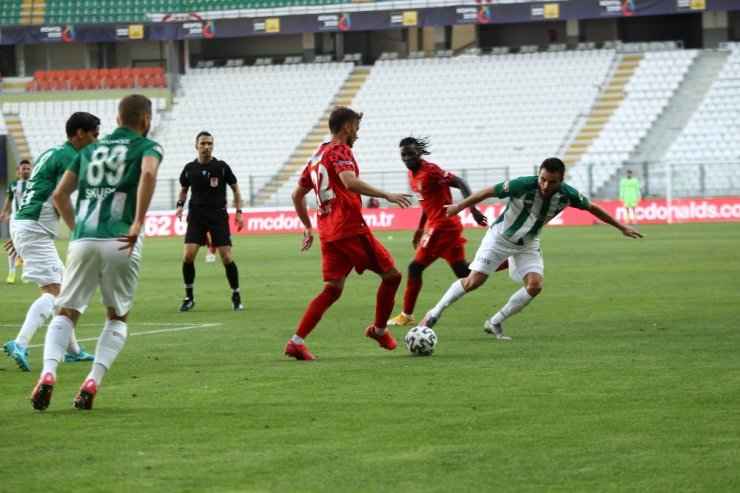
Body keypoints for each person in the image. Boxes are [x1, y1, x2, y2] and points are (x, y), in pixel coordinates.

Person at [29, 94, 162, 411]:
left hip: (84, 239)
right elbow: (147, 174)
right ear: (145, 121)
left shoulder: (88, 150)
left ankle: (48, 374)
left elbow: (60, 194)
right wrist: (138, 221)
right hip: (121, 239)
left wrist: (76, 229)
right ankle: (92, 381)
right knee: (117, 317)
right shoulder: (147, 147)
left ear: (117, 120)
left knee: (67, 311)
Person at [418, 157, 643, 341]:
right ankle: (434, 313)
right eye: (543, 179)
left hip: (528, 243)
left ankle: (495, 322)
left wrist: (620, 226)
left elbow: (592, 208)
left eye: (552, 182)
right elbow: (487, 192)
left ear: (561, 180)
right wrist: (460, 206)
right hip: (499, 238)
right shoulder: (523, 184)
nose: (545, 186)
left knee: (535, 286)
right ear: (539, 175)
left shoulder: (568, 194)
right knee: (473, 282)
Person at [285, 106, 413, 360]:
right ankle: (379, 329)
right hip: (349, 227)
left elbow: (296, 195)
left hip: (328, 232)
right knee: (392, 276)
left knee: (332, 289)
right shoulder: (339, 150)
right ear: (346, 127)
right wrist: (387, 194)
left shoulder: (315, 157)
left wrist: (307, 226)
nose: (357, 134)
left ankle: (296, 342)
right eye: (356, 128)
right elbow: (349, 182)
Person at [2, 113, 100, 372]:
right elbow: (59, 197)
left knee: (64, 291)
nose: (96, 140)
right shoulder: (71, 157)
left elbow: (39, 191)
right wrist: (78, 233)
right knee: (56, 294)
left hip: (28, 225)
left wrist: (19, 233)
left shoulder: (52, 152)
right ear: (80, 133)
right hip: (33, 229)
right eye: (94, 134)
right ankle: (20, 342)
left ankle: (73, 351)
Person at [386, 136, 490, 327]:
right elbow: (427, 203)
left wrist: (473, 209)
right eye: (404, 155)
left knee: (414, 268)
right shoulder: (412, 174)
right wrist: (419, 228)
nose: (408, 158)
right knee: (464, 273)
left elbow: (460, 182)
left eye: (411, 154)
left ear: (419, 153)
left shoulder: (430, 171)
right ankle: (504, 260)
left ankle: (406, 315)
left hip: (442, 227)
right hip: (441, 226)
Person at [175, 131, 244, 312]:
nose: (206, 147)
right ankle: (189, 298)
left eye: (209, 144)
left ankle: (236, 296)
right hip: (196, 216)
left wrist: (239, 212)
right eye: (203, 143)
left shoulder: (221, 167)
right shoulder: (189, 168)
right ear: (196, 145)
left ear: (213, 146)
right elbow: (183, 189)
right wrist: (180, 205)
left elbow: (236, 190)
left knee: (226, 257)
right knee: (188, 256)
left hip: (218, 216)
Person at [0, 159, 32, 284]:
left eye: (28, 168)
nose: (26, 170)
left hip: (29, 219)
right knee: (13, 246)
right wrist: (3, 213)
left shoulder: (34, 184)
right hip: (15, 220)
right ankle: (12, 273)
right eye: (23, 168)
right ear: (19, 170)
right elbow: (9, 199)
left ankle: (26, 273)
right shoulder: (14, 184)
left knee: (27, 247)